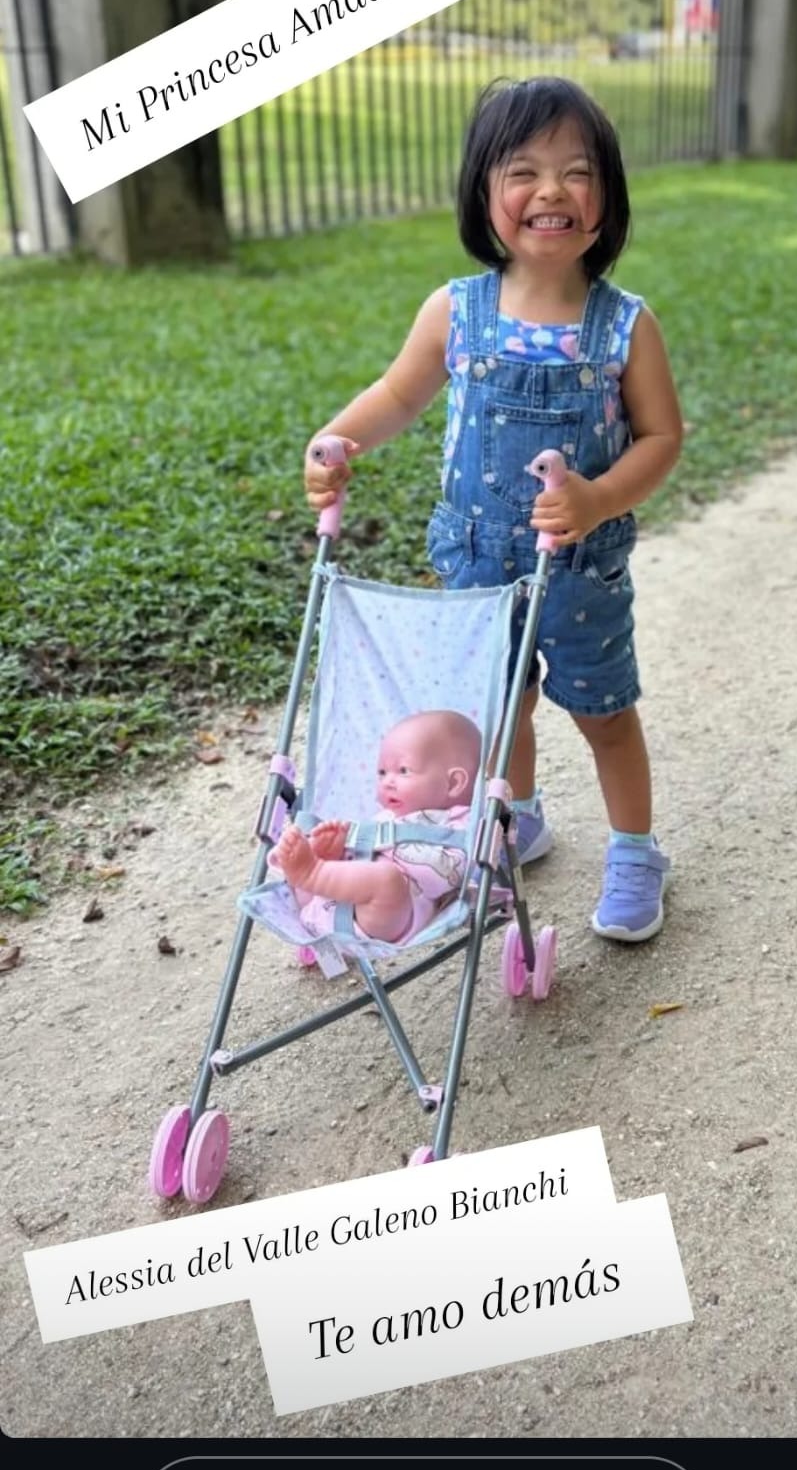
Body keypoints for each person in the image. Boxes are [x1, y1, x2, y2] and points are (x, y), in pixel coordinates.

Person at [303, 78, 684, 943]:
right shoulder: (456, 311)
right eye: (524, 172)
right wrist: (337, 439)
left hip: (579, 569)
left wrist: (598, 497)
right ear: (484, 193)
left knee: (603, 712)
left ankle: (634, 850)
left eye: (577, 172)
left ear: (607, 199)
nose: (552, 191)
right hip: (476, 560)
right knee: (497, 709)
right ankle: (517, 818)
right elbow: (397, 395)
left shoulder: (624, 326)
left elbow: (661, 438)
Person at [268, 709, 480, 945]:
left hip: (387, 918)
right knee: (350, 858)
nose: (387, 782)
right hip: (321, 908)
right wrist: (338, 851)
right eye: (382, 773)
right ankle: (312, 873)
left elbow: (440, 877)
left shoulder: (460, 823)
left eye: (403, 771)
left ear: (453, 783)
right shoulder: (388, 817)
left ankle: (312, 873)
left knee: (387, 879)